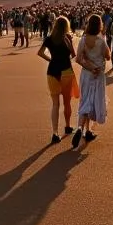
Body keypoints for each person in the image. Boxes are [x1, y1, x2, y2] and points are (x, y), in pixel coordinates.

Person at [38, 15, 78, 144]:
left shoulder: (49, 38)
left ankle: (55, 132)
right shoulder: (66, 38)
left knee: (55, 104)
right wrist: (70, 42)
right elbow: (73, 54)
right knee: (67, 102)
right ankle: (67, 126)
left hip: (52, 71)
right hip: (66, 71)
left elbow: (40, 52)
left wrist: (51, 60)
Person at [72, 13, 108, 148]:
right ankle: (87, 130)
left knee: (85, 99)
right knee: (94, 101)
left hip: (87, 74)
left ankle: (82, 128)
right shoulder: (101, 40)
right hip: (98, 74)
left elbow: (78, 59)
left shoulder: (83, 39)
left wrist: (89, 66)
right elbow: (108, 56)